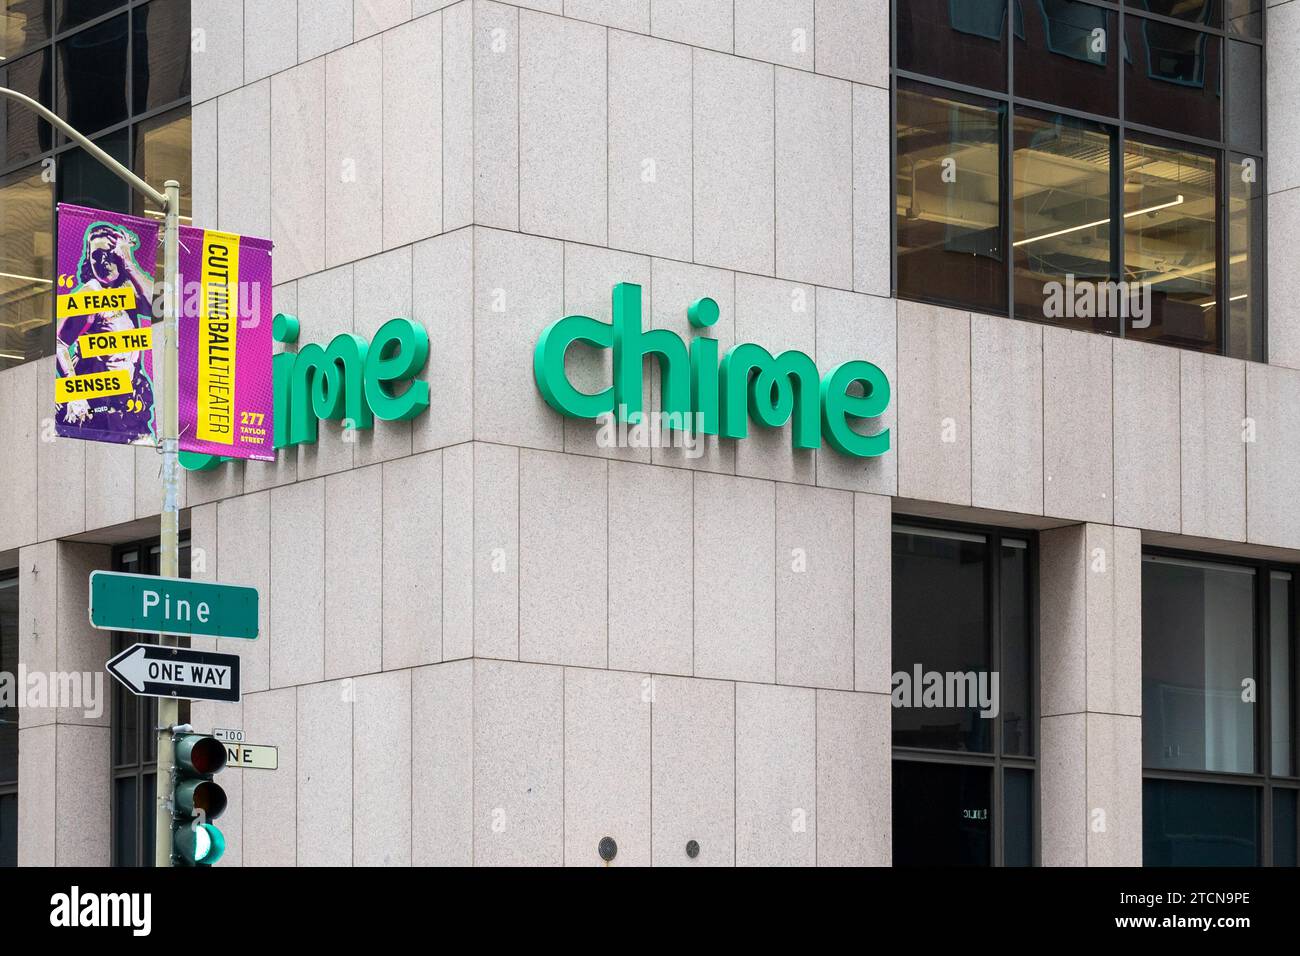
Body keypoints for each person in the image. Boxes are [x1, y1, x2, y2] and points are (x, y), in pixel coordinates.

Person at [56, 222, 156, 442]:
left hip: (130, 405)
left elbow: (156, 306)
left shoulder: (128, 287)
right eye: (96, 255)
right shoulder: (90, 293)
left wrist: (129, 263)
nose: (102, 262)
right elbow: (59, 344)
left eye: (109, 254)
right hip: (99, 407)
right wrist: (75, 393)